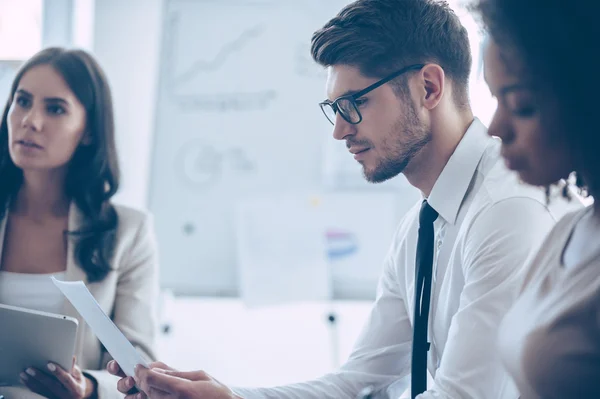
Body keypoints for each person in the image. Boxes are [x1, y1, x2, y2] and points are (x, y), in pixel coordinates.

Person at [109, 0, 577, 398]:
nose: (339, 130)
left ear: (428, 88)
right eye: (334, 109)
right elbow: (358, 383)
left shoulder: (506, 212)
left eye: (354, 103)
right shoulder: (422, 224)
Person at [0, 47, 160, 399]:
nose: (30, 120)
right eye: (22, 101)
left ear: (88, 131)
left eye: (55, 109)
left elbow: (142, 366)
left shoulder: (128, 232)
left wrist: (87, 388)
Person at [472, 0, 600, 397]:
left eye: (521, 106)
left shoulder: (513, 214)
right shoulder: (567, 232)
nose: (495, 128)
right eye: (494, 101)